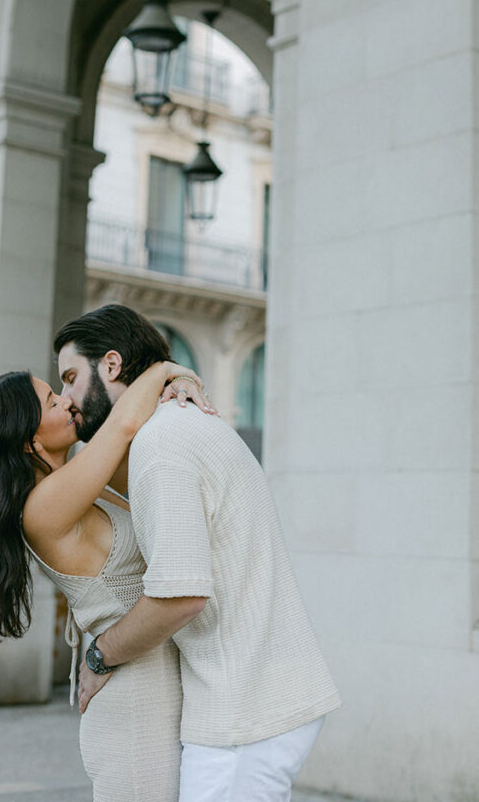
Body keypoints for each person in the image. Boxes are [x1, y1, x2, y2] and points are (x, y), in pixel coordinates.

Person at [54, 304, 342, 802]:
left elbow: (179, 596)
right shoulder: (173, 426)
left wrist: (100, 656)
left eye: (71, 377)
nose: (66, 398)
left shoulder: (161, 445)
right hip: (250, 700)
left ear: (113, 365)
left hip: (245, 713)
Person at [0, 355, 214, 802]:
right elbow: (127, 422)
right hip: (134, 704)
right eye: (53, 400)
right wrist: (166, 364)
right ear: (27, 440)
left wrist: (183, 380)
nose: (69, 401)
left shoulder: (81, 481)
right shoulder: (43, 505)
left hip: (159, 685)